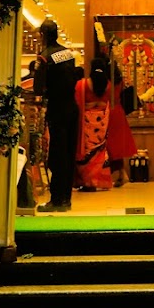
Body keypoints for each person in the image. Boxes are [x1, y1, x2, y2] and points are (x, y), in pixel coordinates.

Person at [33, 20, 78, 212]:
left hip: (57, 109)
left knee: (57, 156)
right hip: (72, 107)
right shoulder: (68, 53)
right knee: (68, 154)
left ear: (43, 35)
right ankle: (66, 199)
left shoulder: (44, 57)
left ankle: (56, 200)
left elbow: (37, 87)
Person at [75, 57, 113, 190]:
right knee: (100, 151)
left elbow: (77, 101)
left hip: (87, 122)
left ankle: (87, 181)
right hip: (102, 121)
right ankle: (97, 180)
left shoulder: (83, 84)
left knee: (87, 151)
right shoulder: (108, 85)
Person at [106, 61, 137, 187]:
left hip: (109, 112)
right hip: (119, 111)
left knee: (110, 145)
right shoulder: (119, 81)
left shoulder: (107, 83)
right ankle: (121, 173)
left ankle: (116, 174)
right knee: (117, 145)